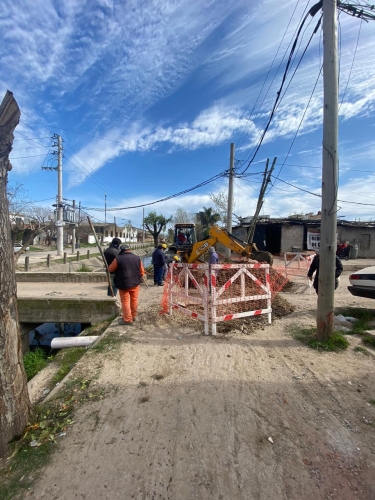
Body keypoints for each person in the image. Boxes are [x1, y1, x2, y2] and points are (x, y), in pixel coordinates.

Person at [108, 244, 145, 325]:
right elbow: (142, 272)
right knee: (134, 300)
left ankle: (127, 319)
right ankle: (134, 316)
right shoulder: (137, 258)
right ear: (129, 250)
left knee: (125, 301)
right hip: (135, 284)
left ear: (121, 250)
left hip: (123, 284)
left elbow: (110, 269)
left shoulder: (118, 259)